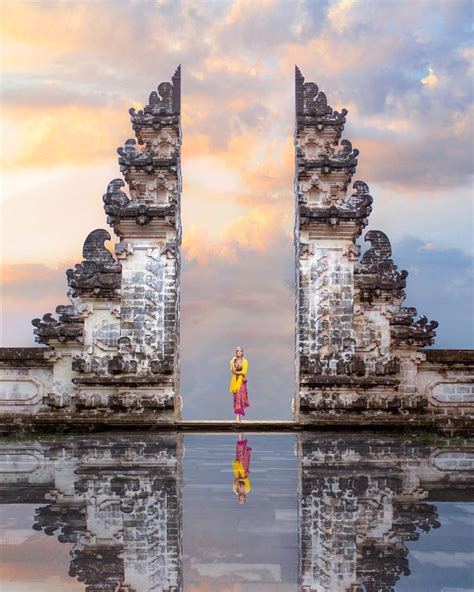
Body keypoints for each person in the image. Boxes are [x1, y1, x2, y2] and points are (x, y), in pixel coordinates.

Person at [229, 346, 249, 423]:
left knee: (239, 397)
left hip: (241, 381)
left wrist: (236, 372)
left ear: (242, 352)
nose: (239, 352)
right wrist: (233, 362)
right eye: (238, 351)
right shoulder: (234, 361)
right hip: (235, 381)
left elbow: (243, 371)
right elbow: (232, 370)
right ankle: (238, 417)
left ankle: (237, 417)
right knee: (236, 398)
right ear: (236, 353)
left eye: (241, 351)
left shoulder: (245, 361)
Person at [232, 433, 252, 504]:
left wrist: (239, 479)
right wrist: (241, 479)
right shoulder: (247, 489)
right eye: (243, 499)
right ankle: (241, 437)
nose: (242, 498)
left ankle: (240, 436)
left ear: (239, 498)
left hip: (238, 471)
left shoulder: (235, 490)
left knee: (239, 454)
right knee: (243, 455)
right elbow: (246, 480)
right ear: (245, 498)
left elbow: (234, 481)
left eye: (240, 499)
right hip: (244, 471)